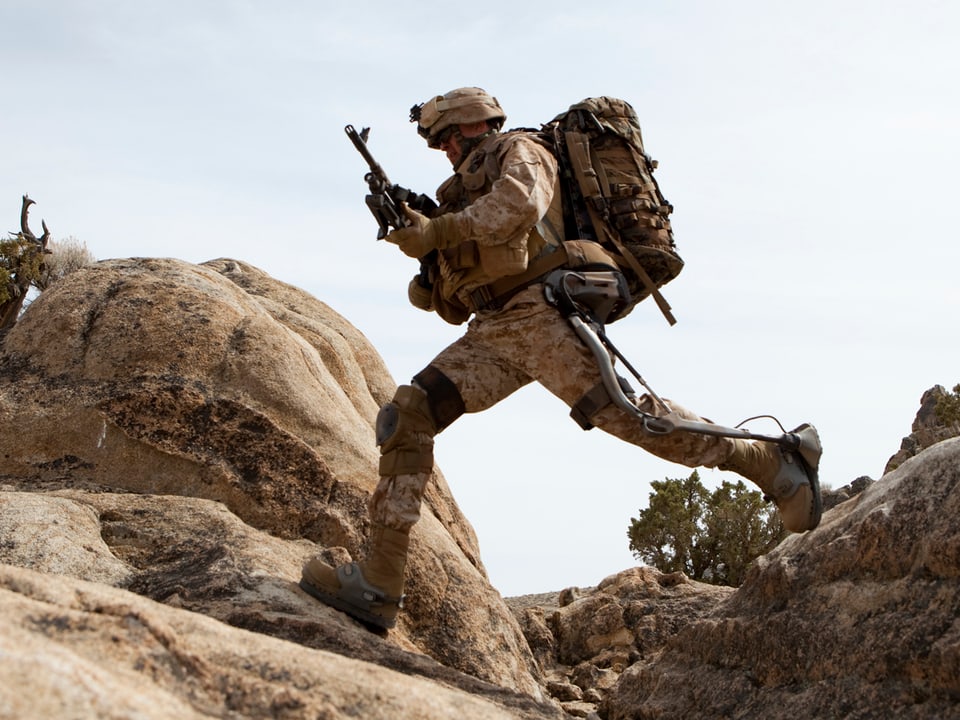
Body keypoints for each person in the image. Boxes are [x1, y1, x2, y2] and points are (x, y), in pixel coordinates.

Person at [300, 87, 822, 629]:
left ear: (467, 128)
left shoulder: (520, 150)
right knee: (408, 414)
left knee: (634, 418)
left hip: (541, 315)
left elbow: (518, 206)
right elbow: (454, 304)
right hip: (496, 332)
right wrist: (428, 257)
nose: (444, 154)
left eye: (445, 141)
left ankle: (772, 459)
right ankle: (380, 584)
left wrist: (438, 231)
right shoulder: (460, 193)